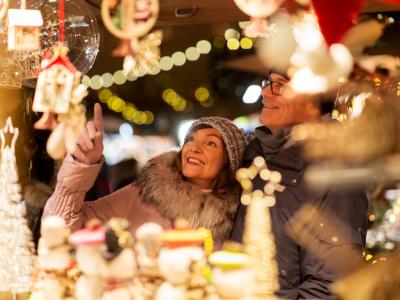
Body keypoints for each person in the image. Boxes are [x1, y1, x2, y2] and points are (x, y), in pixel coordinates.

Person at [230, 71, 368, 299]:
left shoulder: (333, 168)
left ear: (314, 102)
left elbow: (329, 283)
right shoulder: (254, 156)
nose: (265, 92)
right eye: (267, 83)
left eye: (280, 86)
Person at [43, 103, 247, 247]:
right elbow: (60, 230)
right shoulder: (145, 194)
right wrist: (81, 166)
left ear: (230, 160)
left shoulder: (240, 216)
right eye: (190, 140)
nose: (194, 148)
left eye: (210, 143)